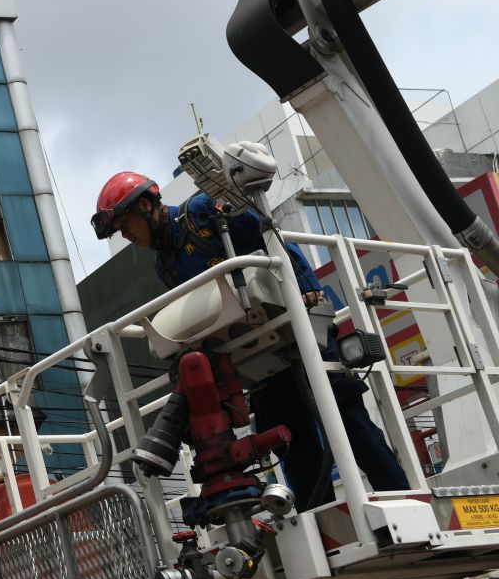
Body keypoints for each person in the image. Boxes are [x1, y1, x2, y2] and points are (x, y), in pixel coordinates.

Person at [91, 171, 409, 509]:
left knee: (349, 422)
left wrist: (307, 286)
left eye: (125, 224)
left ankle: (401, 498)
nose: (126, 234)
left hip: (295, 328)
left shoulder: (200, 212)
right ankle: (323, 524)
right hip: (257, 356)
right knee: (294, 445)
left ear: (145, 204)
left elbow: (269, 237)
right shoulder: (165, 266)